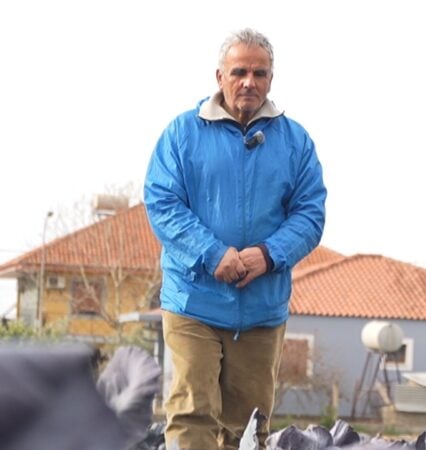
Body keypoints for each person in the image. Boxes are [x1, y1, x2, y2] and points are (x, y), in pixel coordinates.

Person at [144, 28, 326, 450]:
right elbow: (162, 203)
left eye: (259, 73)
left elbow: (310, 213)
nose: (249, 82)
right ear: (219, 76)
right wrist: (212, 254)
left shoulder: (295, 141)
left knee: (248, 427)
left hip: (261, 308)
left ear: (271, 79)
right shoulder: (182, 134)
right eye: (239, 72)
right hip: (193, 300)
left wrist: (269, 254)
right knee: (191, 413)